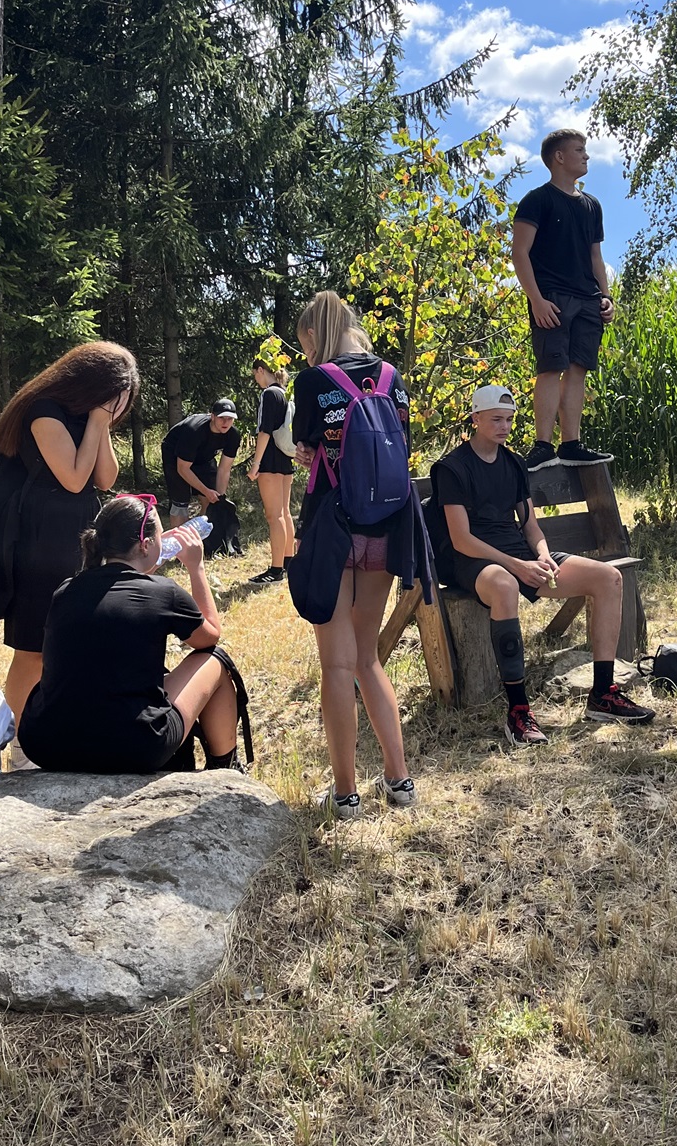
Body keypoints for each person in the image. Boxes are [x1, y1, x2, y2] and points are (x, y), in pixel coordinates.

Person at [436, 384, 656, 746]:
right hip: (475, 561)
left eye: (509, 420)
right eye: (496, 419)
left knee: (609, 578)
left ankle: (603, 694)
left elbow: (530, 527)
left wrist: (541, 555)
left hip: (519, 555)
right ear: (475, 419)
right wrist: (516, 566)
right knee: (505, 585)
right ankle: (518, 712)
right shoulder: (452, 468)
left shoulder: (513, 463)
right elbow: (462, 540)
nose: (504, 427)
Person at [291, 290, 420, 820]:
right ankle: (399, 781)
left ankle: (345, 794)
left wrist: (312, 448)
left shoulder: (313, 381)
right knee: (367, 659)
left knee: (337, 665)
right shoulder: (392, 377)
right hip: (387, 527)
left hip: (333, 527)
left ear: (314, 334)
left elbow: (304, 447)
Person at [0, 341, 139, 724]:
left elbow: (105, 479)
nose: (119, 406)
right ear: (92, 383)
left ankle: (57, 723)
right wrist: (98, 421)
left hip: (77, 534)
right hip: (39, 538)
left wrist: (100, 424)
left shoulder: (85, 415)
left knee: (70, 636)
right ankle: (16, 739)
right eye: (116, 396)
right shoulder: (44, 411)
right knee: (34, 647)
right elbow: (74, 480)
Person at [17, 494, 245, 774]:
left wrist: (148, 562)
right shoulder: (164, 593)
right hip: (135, 746)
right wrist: (196, 568)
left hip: (46, 743)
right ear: (146, 545)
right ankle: (225, 768)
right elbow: (209, 637)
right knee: (214, 660)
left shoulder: (66, 590)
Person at [512, 129, 614, 470]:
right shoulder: (537, 200)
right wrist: (536, 300)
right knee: (550, 368)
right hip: (552, 299)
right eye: (579, 150)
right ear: (559, 157)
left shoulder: (592, 205)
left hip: (588, 300)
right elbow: (520, 253)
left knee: (577, 370)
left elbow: (595, 256)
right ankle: (543, 446)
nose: (586, 156)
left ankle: (571, 444)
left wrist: (606, 296)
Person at [247, 360, 295, 585]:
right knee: (284, 512)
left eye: (255, 374)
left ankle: (275, 570)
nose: (256, 379)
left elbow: (264, 430)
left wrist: (256, 463)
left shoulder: (268, 394)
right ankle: (288, 562)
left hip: (270, 460)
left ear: (261, 370)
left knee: (273, 515)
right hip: (286, 457)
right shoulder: (285, 393)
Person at [161, 399, 241, 524]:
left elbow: (224, 469)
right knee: (180, 501)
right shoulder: (194, 431)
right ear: (212, 417)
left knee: (212, 500)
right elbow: (183, 468)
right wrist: (206, 491)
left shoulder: (233, 435)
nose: (226, 422)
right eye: (221, 418)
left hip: (204, 457)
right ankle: (180, 535)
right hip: (175, 455)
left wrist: (219, 498)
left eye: (230, 419)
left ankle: (203, 532)